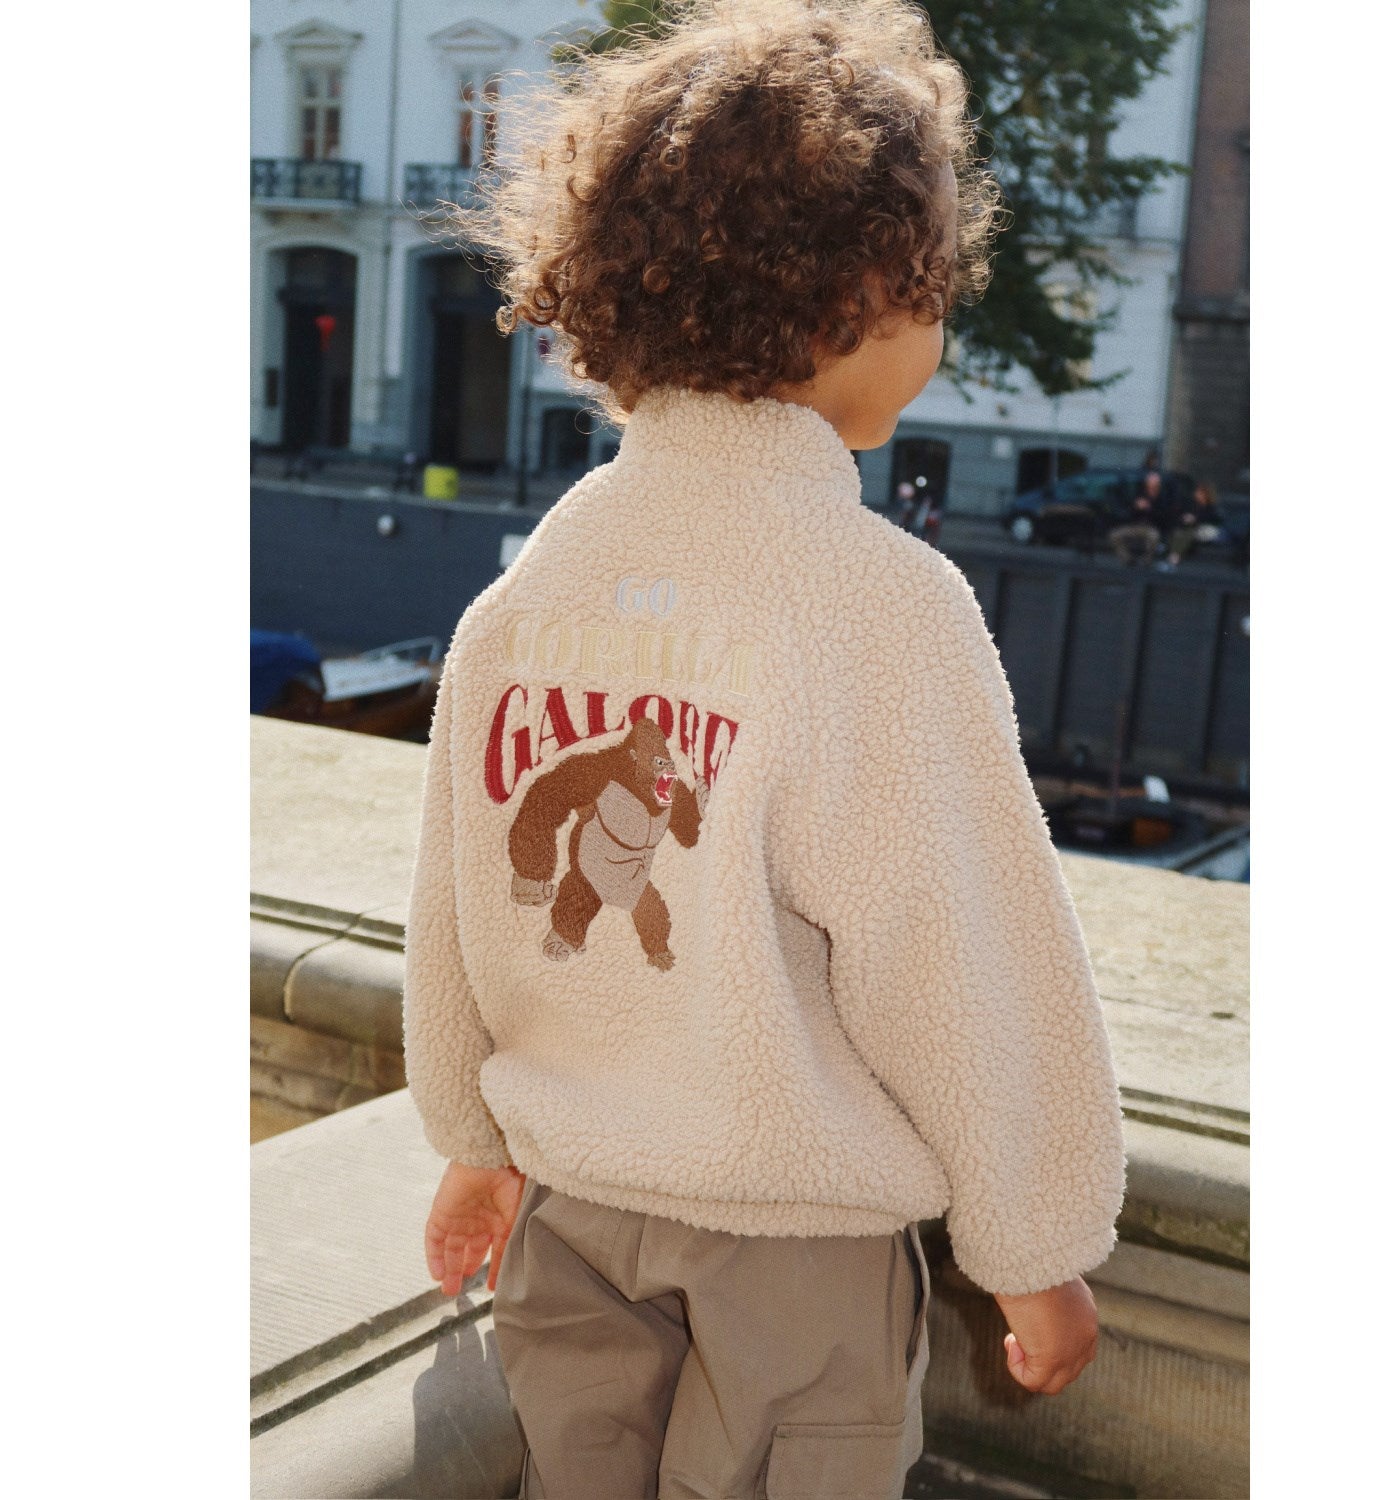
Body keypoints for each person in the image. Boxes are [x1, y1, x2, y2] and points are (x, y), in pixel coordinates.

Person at [401, 4, 1126, 1496]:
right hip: (792, 1239)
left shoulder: (533, 593)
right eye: (936, 288)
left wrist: (476, 1134)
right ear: (865, 294)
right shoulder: (882, 607)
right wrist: (1033, 1244)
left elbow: (461, 903)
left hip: (571, 1219)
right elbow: (962, 962)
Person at [1156, 480, 1220, 570]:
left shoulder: (1210, 507)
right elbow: (1181, 514)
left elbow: (1210, 518)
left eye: (1199, 492)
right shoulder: (1191, 503)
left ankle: (1171, 558)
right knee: (1182, 533)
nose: (1196, 493)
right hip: (1188, 528)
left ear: (1205, 494)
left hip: (1205, 530)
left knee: (1186, 533)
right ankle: (1172, 558)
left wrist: (1195, 519)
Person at [1108, 469, 1165, 565]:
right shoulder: (1140, 494)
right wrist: (1136, 507)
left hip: (1151, 526)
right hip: (1135, 525)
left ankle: (1146, 560)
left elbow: (1163, 515)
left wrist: (1150, 508)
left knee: (1154, 537)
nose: (1152, 485)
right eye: (1150, 482)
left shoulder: (1162, 497)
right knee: (1114, 535)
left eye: (1155, 483)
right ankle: (1128, 559)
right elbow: (1128, 511)